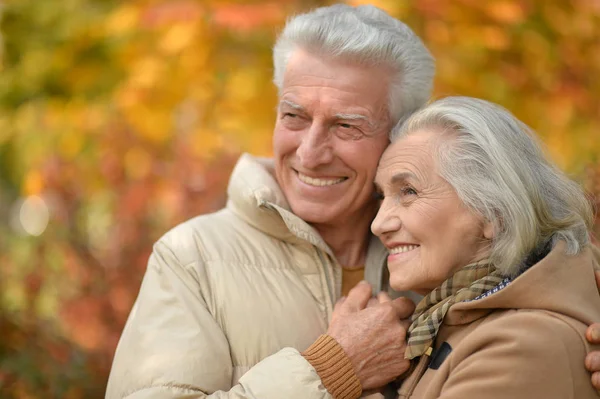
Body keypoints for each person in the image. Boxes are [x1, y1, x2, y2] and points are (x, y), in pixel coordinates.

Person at [106, 4, 600, 399]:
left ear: (399, 134)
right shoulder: (193, 257)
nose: (310, 152)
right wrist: (329, 372)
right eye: (294, 116)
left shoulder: (445, 249)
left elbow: (543, 300)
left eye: (346, 125)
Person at [368, 96, 600, 397]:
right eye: (381, 197)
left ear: (494, 211)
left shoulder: (523, 346)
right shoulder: (449, 323)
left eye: (408, 191)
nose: (378, 224)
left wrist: (343, 374)